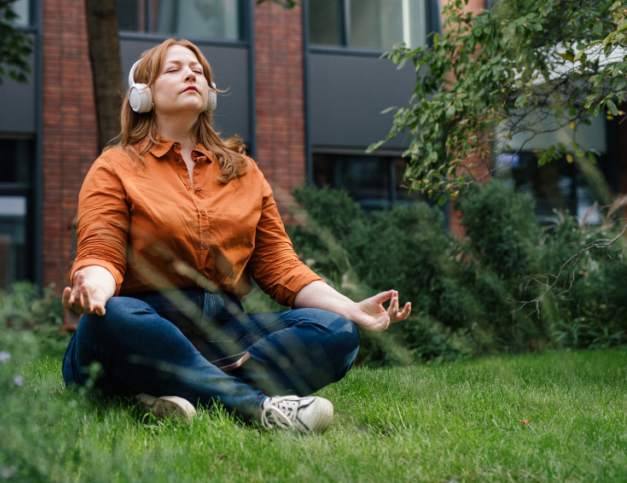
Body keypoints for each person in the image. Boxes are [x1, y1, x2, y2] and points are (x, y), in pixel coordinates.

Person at [61, 38, 412, 434]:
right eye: (173, 69)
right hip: (144, 330)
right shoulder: (115, 167)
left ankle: (173, 391)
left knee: (336, 332)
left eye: (197, 70)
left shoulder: (244, 172)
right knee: (113, 318)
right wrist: (93, 287)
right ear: (143, 94)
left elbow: (280, 266)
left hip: (224, 333)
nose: (190, 73)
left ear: (209, 93)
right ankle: (259, 408)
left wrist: (349, 308)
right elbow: (100, 252)